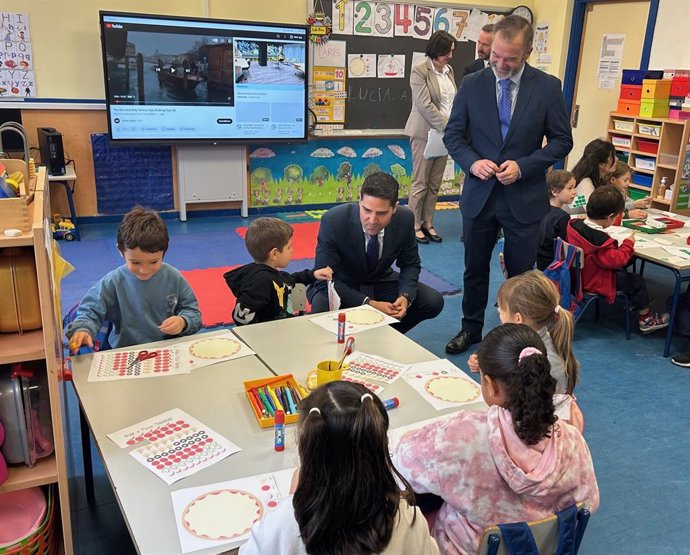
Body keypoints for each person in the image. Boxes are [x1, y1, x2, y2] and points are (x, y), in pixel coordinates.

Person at [394, 323, 599, 555]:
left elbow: (403, 462)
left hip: (467, 547)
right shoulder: (572, 438)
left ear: (490, 385)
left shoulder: (459, 437)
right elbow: (588, 503)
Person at [443, 15, 573, 354]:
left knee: (520, 277)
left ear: (527, 52)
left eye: (509, 59)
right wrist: (472, 162)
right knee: (474, 269)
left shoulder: (547, 87)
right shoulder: (472, 83)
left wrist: (525, 166)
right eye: (495, 56)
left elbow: (562, 141)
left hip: (524, 197)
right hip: (480, 196)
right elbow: (453, 135)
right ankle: (470, 328)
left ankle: (518, 337)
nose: (500, 64)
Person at [240, 381, 440, 555]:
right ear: (382, 444)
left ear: (307, 450)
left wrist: (291, 501)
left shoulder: (280, 525)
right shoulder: (407, 521)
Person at [307, 172, 444, 334]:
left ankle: (384, 334)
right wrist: (369, 303)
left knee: (432, 301)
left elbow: (410, 264)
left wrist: (405, 296)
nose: (372, 220)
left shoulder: (405, 218)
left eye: (381, 213)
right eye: (367, 210)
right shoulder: (334, 220)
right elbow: (326, 280)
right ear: (360, 199)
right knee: (321, 311)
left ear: (394, 208)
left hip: (380, 280)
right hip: (341, 284)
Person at [66, 207, 202, 352]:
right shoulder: (113, 281)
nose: (144, 270)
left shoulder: (174, 278)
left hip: (167, 349)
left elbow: (193, 313)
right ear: (120, 251)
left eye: (153, 262)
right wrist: (83, 328)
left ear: (164, 252)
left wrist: (183, 322)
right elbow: (90, 309)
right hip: (124, 351)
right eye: (135, 263)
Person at [566, 185, 670, 333]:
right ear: (610, 216)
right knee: (636, 281)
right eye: (615, 216)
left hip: (577, 276)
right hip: (595, 280)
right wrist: (629, 243)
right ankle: (646, 319)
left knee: (629, 264)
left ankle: (637, 302)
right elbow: (619, 260)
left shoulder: (575, 225)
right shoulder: (600, 241)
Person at [224, 217, 332, 326]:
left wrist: (312, 275)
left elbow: (288, 280)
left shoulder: (272, 274)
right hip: (273, 336)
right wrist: (259, 334)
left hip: (284, 329)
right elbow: (240, 317)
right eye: (289, 247)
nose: (292, 251)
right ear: (274, 254)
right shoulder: (261, 281)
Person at [405, 30, 457, 245]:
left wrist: (452, 128)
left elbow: (451, 100)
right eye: (448, 51)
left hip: (444, 136)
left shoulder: (449, 70)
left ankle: (428, 223)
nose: (451, 56)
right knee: (421, 182)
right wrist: (447, 126)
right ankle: (414, 225)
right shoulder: (420, 71)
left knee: (435, 183)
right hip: (425, 134)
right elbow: (425, 105)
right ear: (437, 50)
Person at [564, 138, 616, 215]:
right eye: (613, 157)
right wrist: (626, 214)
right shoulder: (585, 183)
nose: (617, 159)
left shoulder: (598, 179)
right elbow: (594, 212)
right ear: (601, 164)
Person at [536, 169, 576, 270]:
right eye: (570, 188)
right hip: (552, 265)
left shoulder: (538, 209)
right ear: (554, 191)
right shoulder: (563, 216)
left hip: (536, 261)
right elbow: (565, 246)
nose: (574, 192)